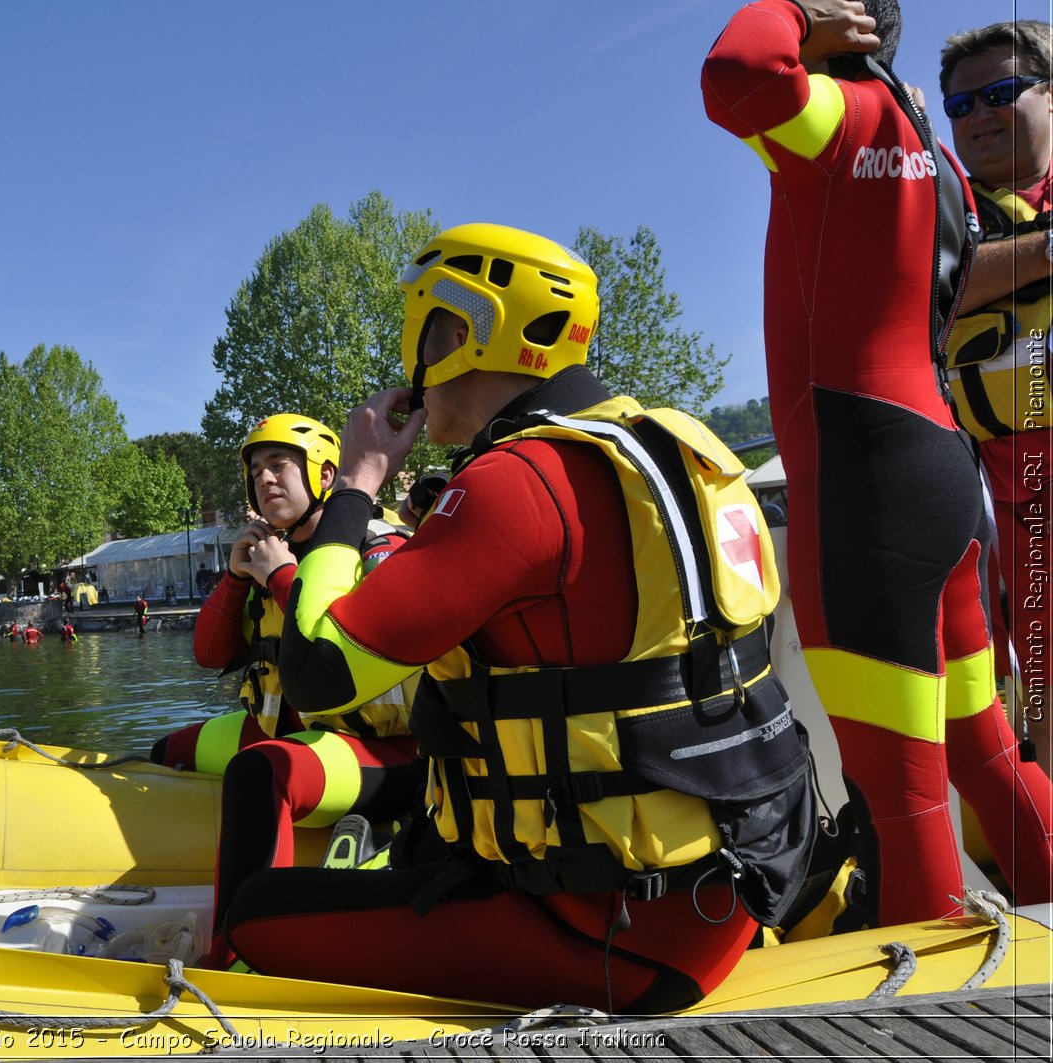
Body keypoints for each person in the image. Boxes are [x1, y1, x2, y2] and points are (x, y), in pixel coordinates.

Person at [219, 224, 812, 1011]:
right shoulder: (669, 449)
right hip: (734, 884)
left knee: (258, 914)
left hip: (614, 934)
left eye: (418, 323)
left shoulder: (518, 480)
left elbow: (319, 671)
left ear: (461, 332)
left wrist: (359, 481)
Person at [702, 0, 1052, 923]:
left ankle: (929, 1023)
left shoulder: (840, 115)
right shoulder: (930, 151)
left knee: (902, 799)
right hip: (941, 471)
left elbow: (734, 75)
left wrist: (788, 18)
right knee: (983, 752)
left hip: (865, 485)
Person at [149, 414, 422, 965]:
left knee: (260, 770)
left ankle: (240, 949)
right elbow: (209, 655)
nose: (264, 479)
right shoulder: (265, 552)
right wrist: (235, 577)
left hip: (393, 754)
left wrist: (281, 577)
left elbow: (339, 652)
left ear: (325, 473)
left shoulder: (381, 547)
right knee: (167, 751)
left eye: (279, 465)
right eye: (255, 471)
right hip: (297, 730)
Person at [940, 20, 1053, 778]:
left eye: (1003, 92)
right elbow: (920, 290)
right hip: (1001, 490)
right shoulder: (937, 206)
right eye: (960, 104)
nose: (978, 114)